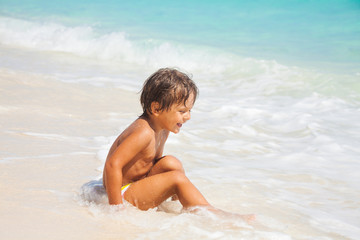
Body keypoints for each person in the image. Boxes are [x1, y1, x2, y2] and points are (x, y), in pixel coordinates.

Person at [102, 68, 254, 220]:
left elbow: (150, 163)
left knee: (172, 163)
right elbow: (112, 165)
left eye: (189, 111)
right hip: (121, 192)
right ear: (156, 109)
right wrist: (116, 207)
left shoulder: (163, 129)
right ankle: (213, 215)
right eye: (182, 111)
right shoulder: (143, 133)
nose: (187, 117)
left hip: (138, 182)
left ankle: (185, 205)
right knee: (176, 179)